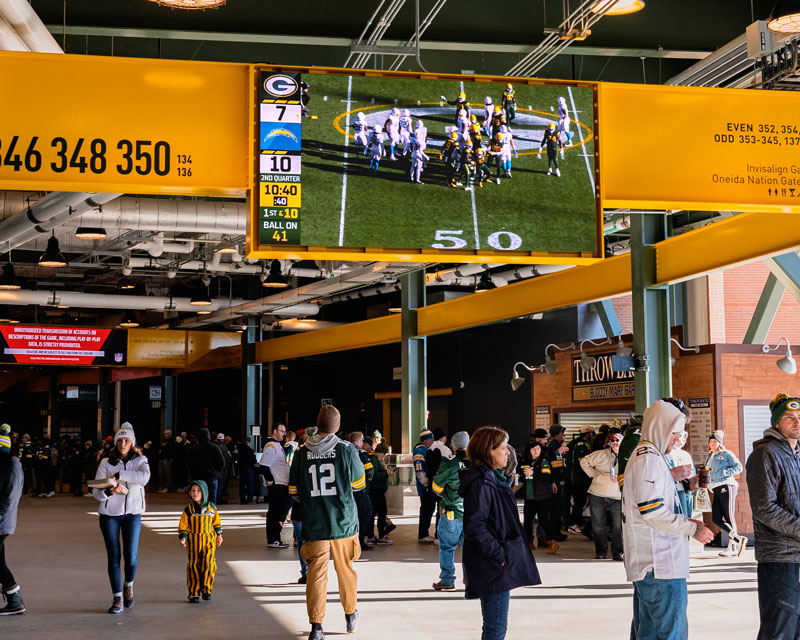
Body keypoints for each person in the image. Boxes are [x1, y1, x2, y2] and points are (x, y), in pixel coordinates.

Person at [622, 399, 714, 640]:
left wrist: (681, 484)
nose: (677, 440)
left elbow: (653, 500)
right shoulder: (648, 459)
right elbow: (652, 512)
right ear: (661, 428)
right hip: (661, 565)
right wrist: (692, 529)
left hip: (653, 565)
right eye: (675, 433)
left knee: (647, 633)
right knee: (671, 633)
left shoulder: (648, 456)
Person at [288, 405, 365, 640]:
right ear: (337, 426)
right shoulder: (347, 450)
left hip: (315, 525)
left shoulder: (301, 452)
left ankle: (316, 627)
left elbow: (294, 490)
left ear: (318, 423)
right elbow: (359, 484)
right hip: (343, 524)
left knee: (316, 576)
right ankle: (350, 615)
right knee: (346, 572)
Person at [461, 426, 541, 640]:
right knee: (495, 628)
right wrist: (500, 555)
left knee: (495, 626)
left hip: (494, 562)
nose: (507, 453)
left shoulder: (490, 478)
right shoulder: (482, 483)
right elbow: (475, 526)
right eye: (503, 448)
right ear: (488, 450)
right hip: (492, 565)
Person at [746, 393, 800, 639]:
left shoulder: (796, 453)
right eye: (790, 417)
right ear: (777, 423)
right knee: (779, 631)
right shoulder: (765, 454)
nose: (797, 422)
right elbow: (764, 508)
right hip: (780, 557)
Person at [92, 425, 151, 614]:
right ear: (115, 442)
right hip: (109, 516)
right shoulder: (106, 462)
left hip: (133, 515)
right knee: (114, 557)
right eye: (120, 440)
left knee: (131, 558)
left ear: (132, 443)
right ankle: (117, 597)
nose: (123, 443)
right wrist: (110, 490)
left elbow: (144, 478)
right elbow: (96, 492)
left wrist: (119, 475)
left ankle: (129, 585)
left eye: (126, 440)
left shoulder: (141, 460)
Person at [431, 430, 470, 590]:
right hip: (471, 513)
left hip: (451, 512)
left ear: (453, 446)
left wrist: (444, 493)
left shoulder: (449, 463)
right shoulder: (475, 463)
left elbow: (436, 486)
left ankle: (447, 579)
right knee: (470, 550)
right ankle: (471, 581)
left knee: (447, 547)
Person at [178, 480, 223, 603]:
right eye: (193, 490)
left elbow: (217, 523)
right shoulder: (188, 510)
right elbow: (183, 526)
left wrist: (219, 535)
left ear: (204, 492)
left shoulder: (211, 508)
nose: (195, 493)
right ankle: (194, 592)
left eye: (198, 490)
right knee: (194, 565)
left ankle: (206, 589)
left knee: (209, 564)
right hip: (193, 542)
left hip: (209, 541)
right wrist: (183, 537)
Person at [581, 432, 624, 560]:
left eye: (618, 440)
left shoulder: (628, 455)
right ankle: (601, 551)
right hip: (598, 493)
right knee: (598, 525)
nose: (615, 443)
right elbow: (584, 461)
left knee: (618, 526)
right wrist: (594, 474)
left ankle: (618, 552)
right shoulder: (600, 454)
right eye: (613, 440)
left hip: (617, 496)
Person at [704, 430, 745, 557]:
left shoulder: (726, 454)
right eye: (711, 441)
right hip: (714, 487)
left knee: (728, 515)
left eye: (715, 441)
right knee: (716, 518)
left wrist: (724, 473)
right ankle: (738, 539)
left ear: (720, 443)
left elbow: (739, 467)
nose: (712, 443)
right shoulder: (709, 456)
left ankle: (732, 547)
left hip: (726, 485)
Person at [0, 424, 24, 615]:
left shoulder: (11, 469)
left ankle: (15, 600)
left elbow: (8, 500)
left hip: (1, 522)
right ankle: (15, 601)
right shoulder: (7, 466)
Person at [519, 440, 559, 555]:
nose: (536, 451)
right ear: (528, 451)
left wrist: (533, 474)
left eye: (538, 449)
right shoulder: (525, 463)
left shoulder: (544, 462)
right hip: (529, 497)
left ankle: (553, 541)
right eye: (533, 449)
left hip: (543, 497)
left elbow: (546, 477)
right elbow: (521, 480)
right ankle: (528, 542)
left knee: (543, 520)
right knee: (527, 521)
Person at [261, 423, 291, 549]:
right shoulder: (271, 446)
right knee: (276, 513)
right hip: (278, 485)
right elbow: (264, 466)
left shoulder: (278, 446)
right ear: (274, 431)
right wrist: (271, 481)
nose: (284, 434)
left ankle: (275, 538)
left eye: (285, 431)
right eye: (281, 431)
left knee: (278, 512)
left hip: (281, 483)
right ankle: (273, 539)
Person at [347, 432, 374, 551]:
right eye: (362, 441)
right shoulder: (361, 453)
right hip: (360, 490)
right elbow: (370, 471)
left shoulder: (345, 452)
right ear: (358, 441)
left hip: (347, 491)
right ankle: (360, 541)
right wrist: (367, 480)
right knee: (366, 512)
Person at [187, 428, 226, 504]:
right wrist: (217, 473)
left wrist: (192, 473)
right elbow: (222, 462)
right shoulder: (214, 447)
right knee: (212, 500)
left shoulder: (193, 449)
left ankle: (199, 515)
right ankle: (211, 515)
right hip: (211, 477)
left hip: (197, 478)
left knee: (197, 500)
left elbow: (188, 463)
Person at [568, 425, 594, 535]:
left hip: (582, 479)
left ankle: (577, 522)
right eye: (591, 433)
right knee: (578, 503)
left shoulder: (583, 444)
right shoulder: (580, 446)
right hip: (579, 479)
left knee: (581, 502)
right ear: (587, 434)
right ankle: (573, 524)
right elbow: (583, 462)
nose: (592, 435)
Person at [545, 425, 569, 539]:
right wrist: (558, 453)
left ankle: (556, 532)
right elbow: (554, 464)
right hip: (556, 481)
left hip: (556, 480)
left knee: (557, 508)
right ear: (558, 434)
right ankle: (555, 534)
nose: (563, 435)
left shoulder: (554, 445)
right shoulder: (554, 446)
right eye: (562, 433)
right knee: (556, 508)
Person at [367, 441, 393, 545]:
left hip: (376, 491)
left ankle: (372, 536)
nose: (384, 457)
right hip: (377, 491)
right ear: (381, 452)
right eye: (384, 454)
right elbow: (376, 475)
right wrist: (386, 473)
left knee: (374, 513)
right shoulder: (374, 460)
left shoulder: (375, 460)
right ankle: (380, 536)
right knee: (381, 513)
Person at [414, 429, 436, 542]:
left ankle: (423, 533)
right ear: (426, 440)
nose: (432, 441)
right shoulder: (420, 452)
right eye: (431, 439)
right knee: (426, 509)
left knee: (429, 509)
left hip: (426, 486)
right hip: (425, 487)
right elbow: (420, 470)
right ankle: (423, 534)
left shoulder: (425, 450)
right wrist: (426, 484)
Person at [237, 437, 257, 505]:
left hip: (242, 469)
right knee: (250, 485)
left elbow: (238, 460)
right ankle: (249, 499)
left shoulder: (240, 450)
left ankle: (242, 500)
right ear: (249, 442)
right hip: (249, 469)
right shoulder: (250, 450)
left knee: (242, 485)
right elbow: (253, 460)